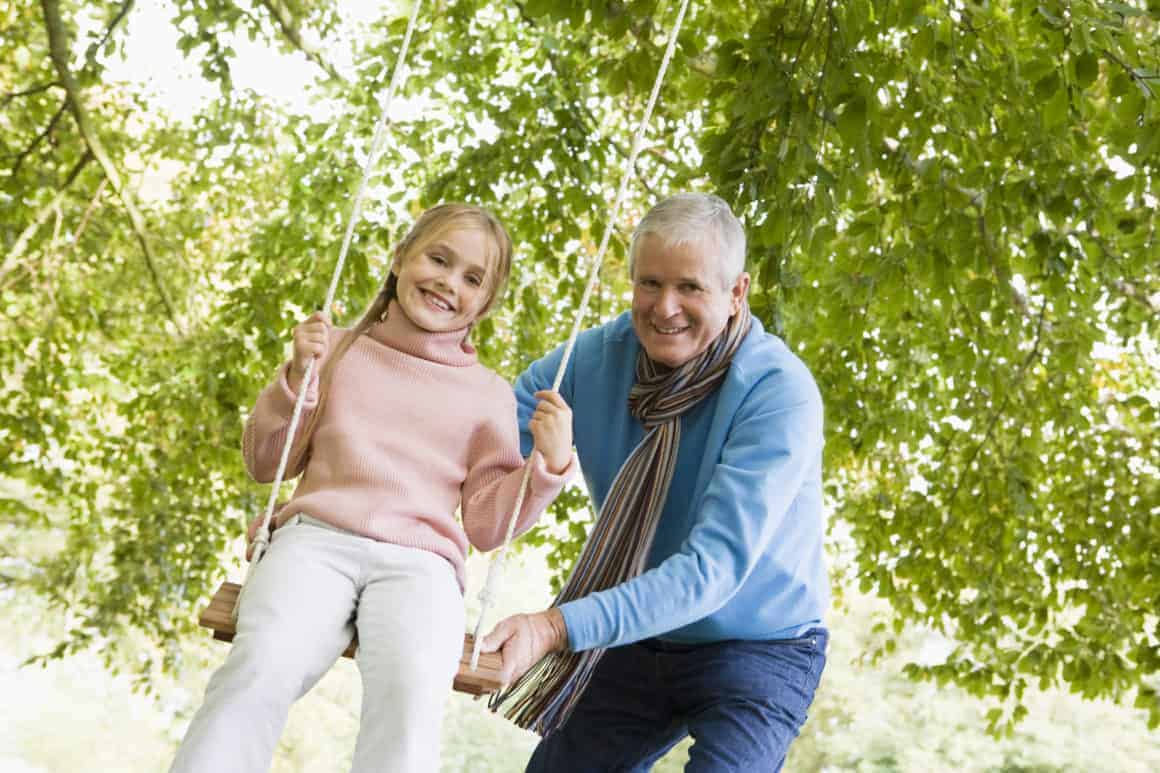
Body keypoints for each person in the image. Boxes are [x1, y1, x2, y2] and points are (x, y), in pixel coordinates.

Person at [171, 204, 574, 773]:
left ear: (484, 304)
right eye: (438, 259)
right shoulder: (335, 350)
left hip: (421, 564)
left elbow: (486, 524)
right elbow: (265, 461)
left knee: (412, 693)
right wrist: (294, 380)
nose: (447, 283)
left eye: (471, 278)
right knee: (262, 663)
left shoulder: (487, 395)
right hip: (316, 541)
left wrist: (546, 470)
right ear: (400, 257)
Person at [481, 193, 828, 772]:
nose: (664, 307)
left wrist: (555, 627)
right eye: (649, 283)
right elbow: (476, 445)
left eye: (690, 287)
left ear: (737, 292)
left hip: (761, 642)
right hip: (643, 635)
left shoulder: (777, 392)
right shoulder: (593, 360)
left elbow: (710, 572)